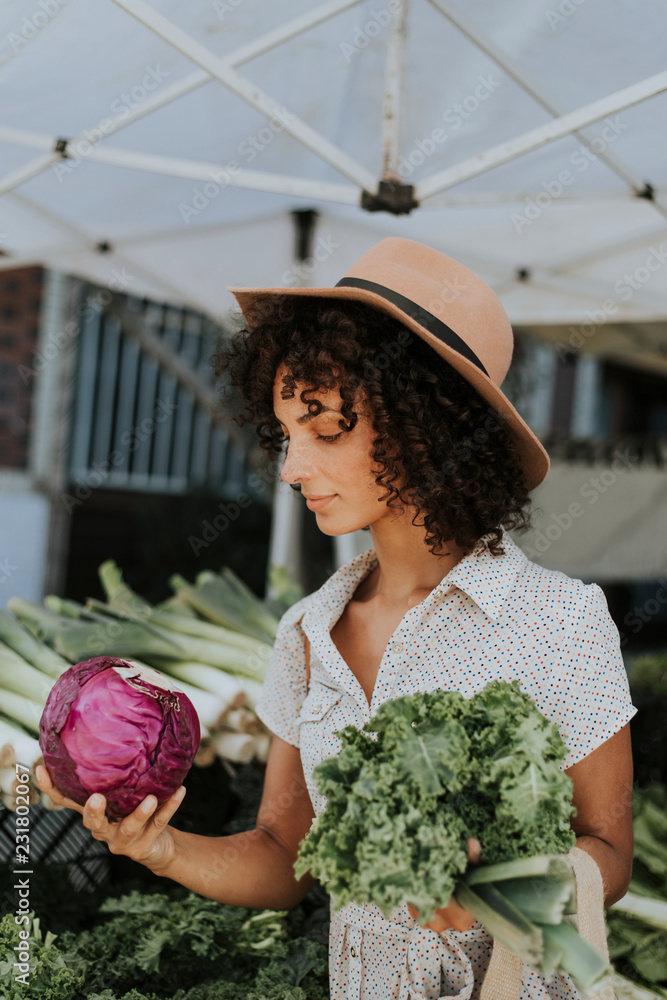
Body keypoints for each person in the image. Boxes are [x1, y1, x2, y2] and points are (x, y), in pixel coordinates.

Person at [37, 237, 636, 1000]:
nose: (290, 468)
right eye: (286, 434)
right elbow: (284, 855)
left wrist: (509, 880)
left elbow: (608, 853)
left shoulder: (558, 619)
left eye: (325, 432)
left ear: (426, 427)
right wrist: (160, 849)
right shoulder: (308, 632)